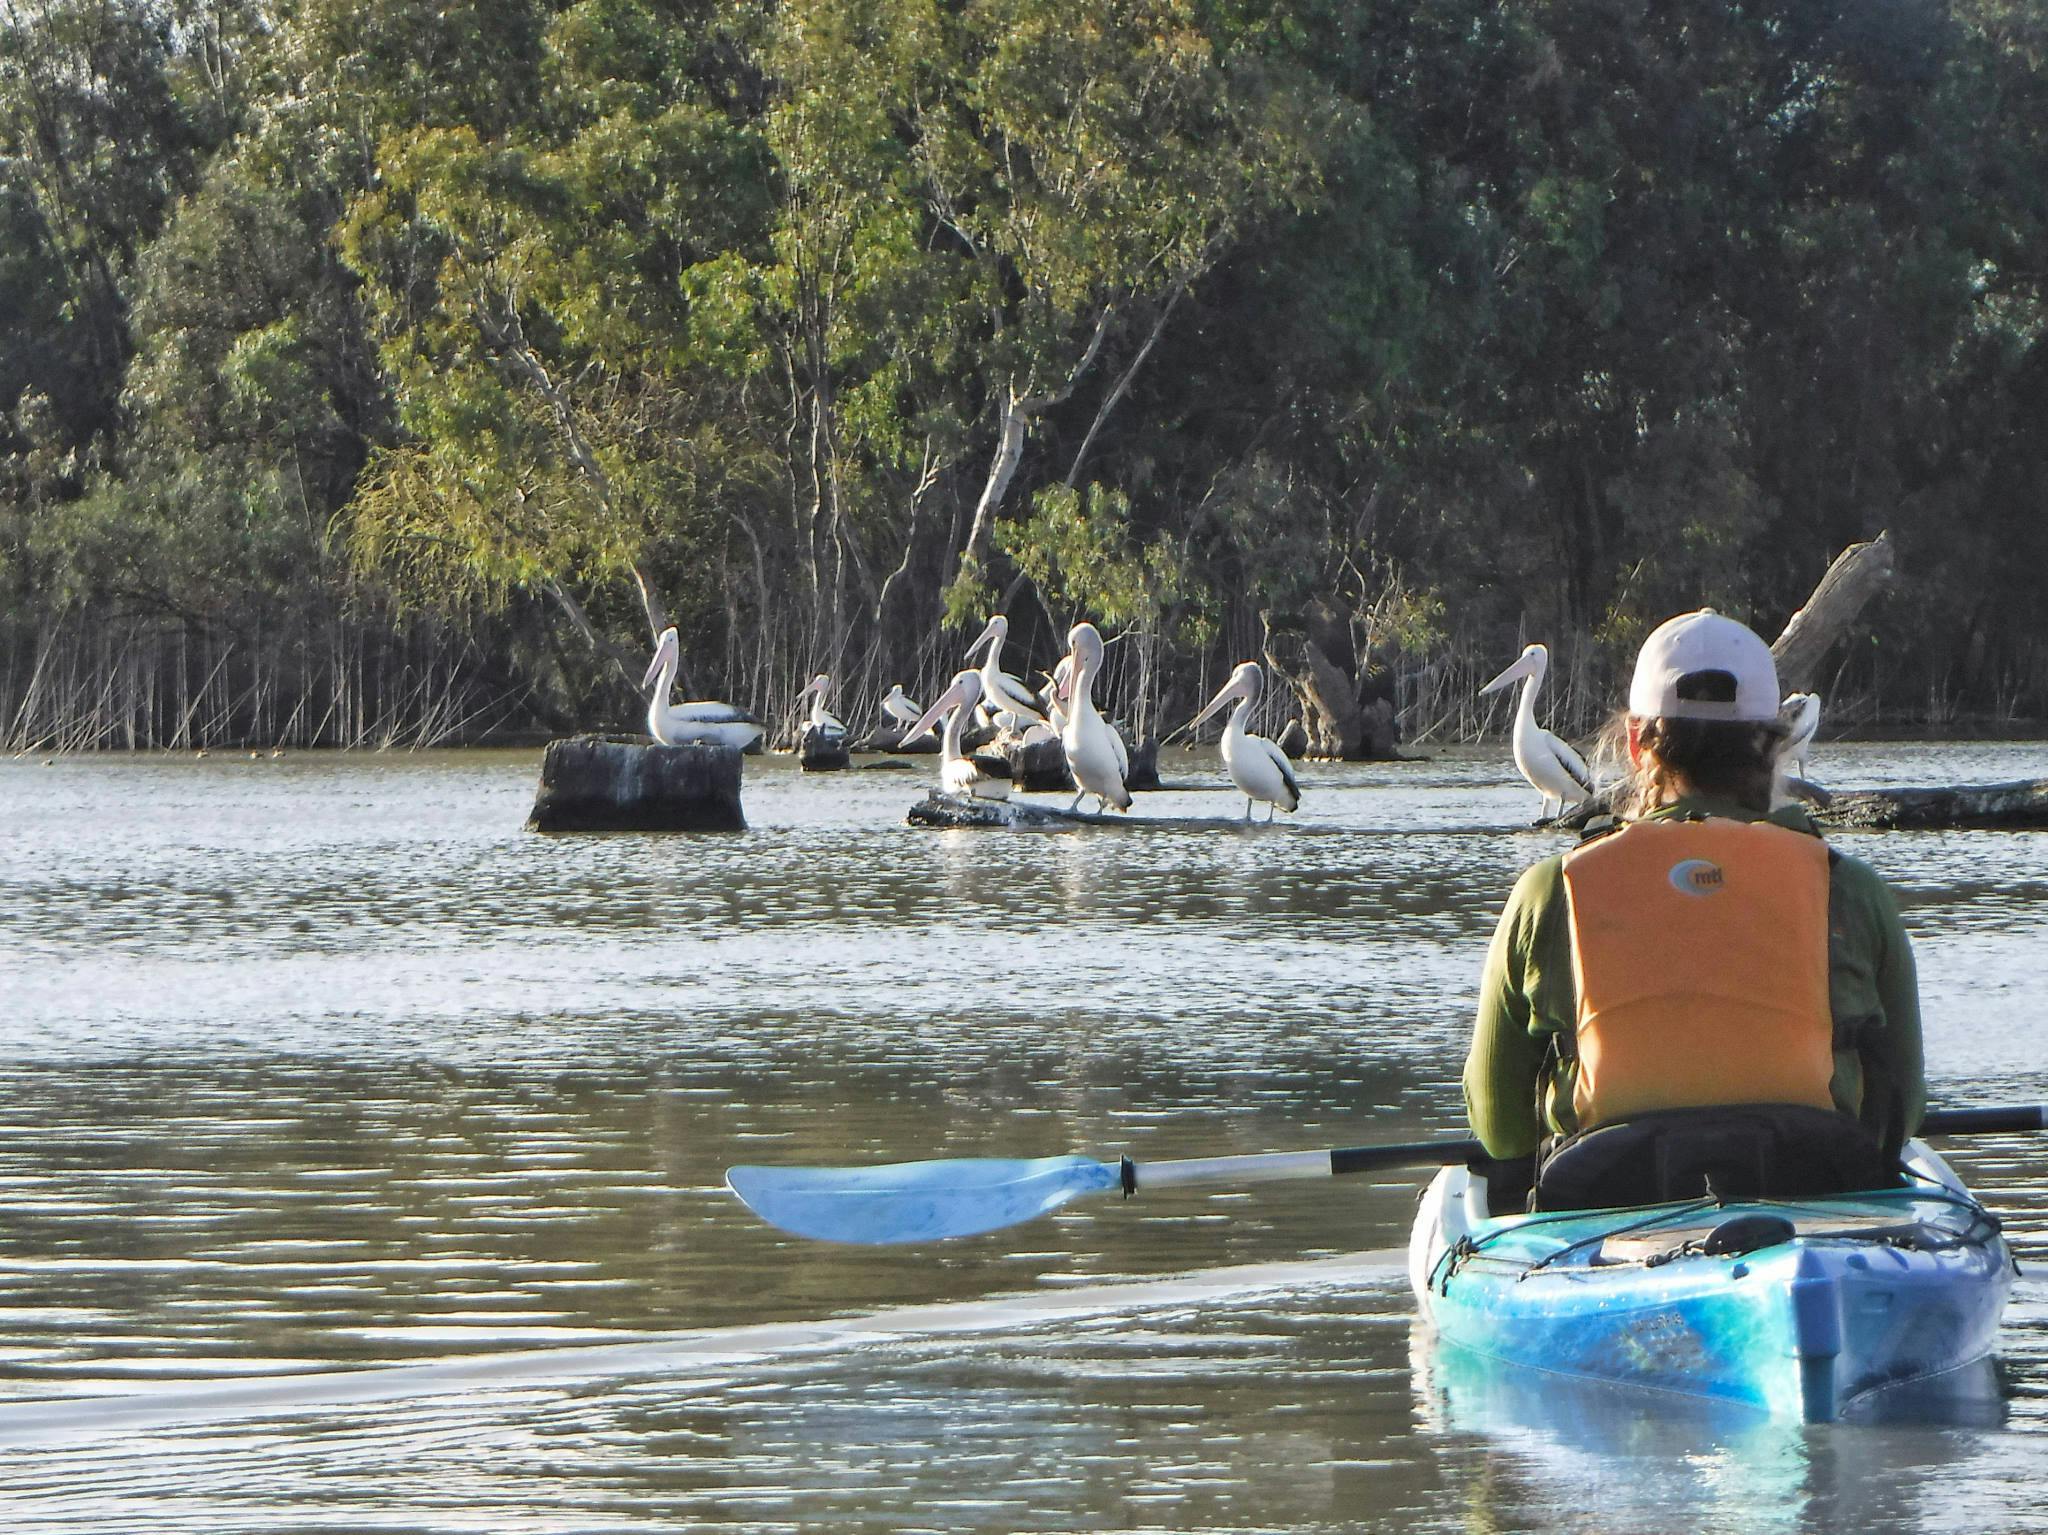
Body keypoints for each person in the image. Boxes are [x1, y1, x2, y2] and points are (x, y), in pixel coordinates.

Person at [1463, 609, 1925, 1211]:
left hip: (1604, 1200)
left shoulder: (1551, 888)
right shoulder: (1850, 887)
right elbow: (1903, 1111)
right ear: (1775, 740)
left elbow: (1499, 1127)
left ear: (1635, 742)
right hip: (1816, 1188)